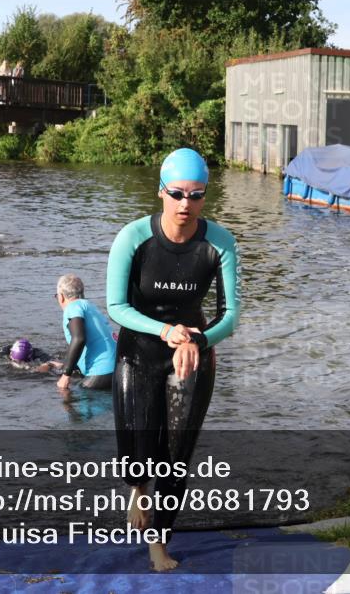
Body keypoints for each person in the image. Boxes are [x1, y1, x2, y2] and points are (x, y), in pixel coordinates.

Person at [106, 147, 240, 571]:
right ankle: (136, 488)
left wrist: (196, 342)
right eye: (178, 194)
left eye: (196, 195)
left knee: (177, 454)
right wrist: (164, 331)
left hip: (192, 355)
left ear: (205, 197)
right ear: (161, 191)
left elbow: (230, 316)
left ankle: (158, 545)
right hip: (139, 351)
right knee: (138, 445)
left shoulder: (219, 242)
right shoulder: (133, 237)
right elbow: (115, 306)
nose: (186, 204)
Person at [36, 274, 116, 391]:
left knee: (66, 397)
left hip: (101, 371)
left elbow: (79, 339)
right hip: (117, 369)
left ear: (61, 297)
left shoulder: (72, 308)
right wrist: (63, 366)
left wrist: (65, 375)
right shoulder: (91, 307)